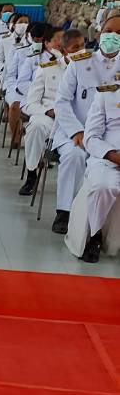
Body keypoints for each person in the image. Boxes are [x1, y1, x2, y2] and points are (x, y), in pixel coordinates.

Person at [52, 11, 120, 235]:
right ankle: (65, 211)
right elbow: (61, 101)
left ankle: (101, 227)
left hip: (110, 138)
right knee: (75, 156)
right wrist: (77, 132)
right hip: (76, 131)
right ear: (99, 33)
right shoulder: (80, 62)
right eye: (109, 31)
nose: (113, 36)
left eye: (119, 33)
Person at [20, 29, 73, 198]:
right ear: (48, 44)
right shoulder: (45, 69)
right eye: (57, 39)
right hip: (49, 116)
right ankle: (31, 173)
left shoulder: (82, 68)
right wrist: (47, 111)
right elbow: (31, 103)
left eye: (64, 39)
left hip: (74, 120)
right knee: (35, 126)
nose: (61, 42)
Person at [80, 72, 120, 261]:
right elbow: (91, 137)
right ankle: (95, 236)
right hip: (108, 157)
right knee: (104, 187)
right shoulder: (107, 94)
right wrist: (113, 155)